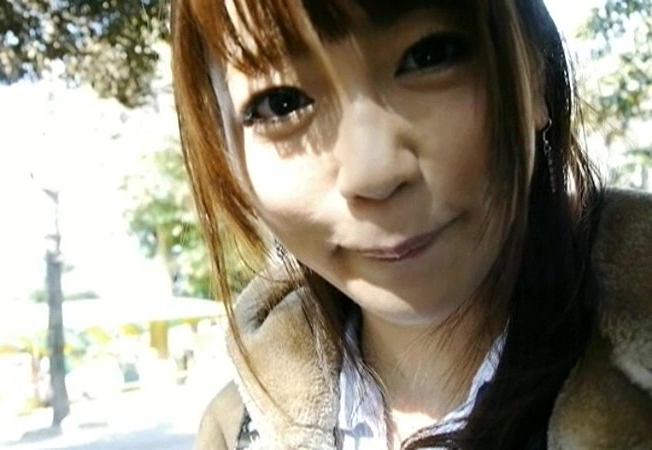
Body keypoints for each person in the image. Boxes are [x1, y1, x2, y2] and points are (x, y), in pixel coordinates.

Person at [169, 0, 652, 448]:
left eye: (430, 55)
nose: (373, 172)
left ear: (535, 70)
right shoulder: (234, 429)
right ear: (226, 150)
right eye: (281, 103)